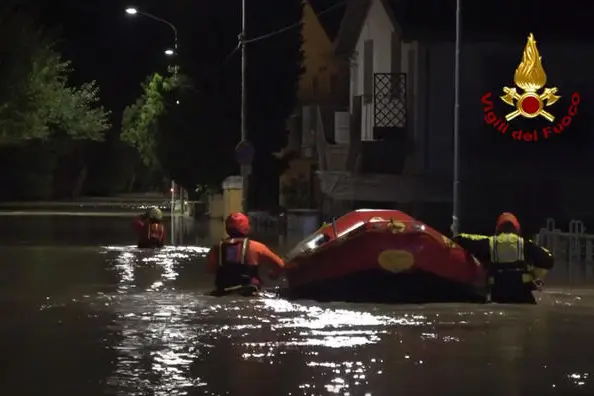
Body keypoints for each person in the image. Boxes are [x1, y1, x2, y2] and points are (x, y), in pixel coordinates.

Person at [452, 212, 554, 304]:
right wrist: (534, 274)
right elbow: (549, 261)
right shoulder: (525, 245)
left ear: (498, 228)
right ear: (517, 229)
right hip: (522, 294)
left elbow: (461, 239)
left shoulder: (489, 242)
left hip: (498, 294)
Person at [207, 212, 286, 296]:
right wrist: (274, 274)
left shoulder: (216, 248)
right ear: (246, 227)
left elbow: (210, 270)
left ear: (227, 228)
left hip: (222, 292)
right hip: (249, 293)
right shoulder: (256, 247)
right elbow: (281, 266)